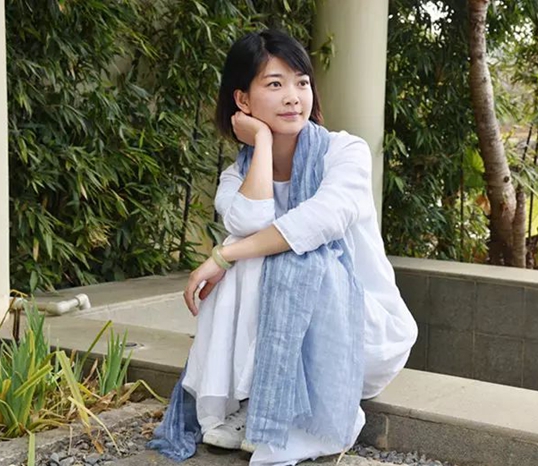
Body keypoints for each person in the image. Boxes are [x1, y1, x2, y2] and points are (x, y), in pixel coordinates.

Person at [147, 29, 418, 466]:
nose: (293, 96)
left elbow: (320, 221)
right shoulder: (236, 176)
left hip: (358, 331)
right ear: (242, 100)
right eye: (275, 84)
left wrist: (221, 257)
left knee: (258, 254)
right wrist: (264, 143)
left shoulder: (344, 152)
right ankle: (255, 401)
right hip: (303, 311)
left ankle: (291, 419)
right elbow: (250, 220)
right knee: (250, 249)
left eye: (301, 82)